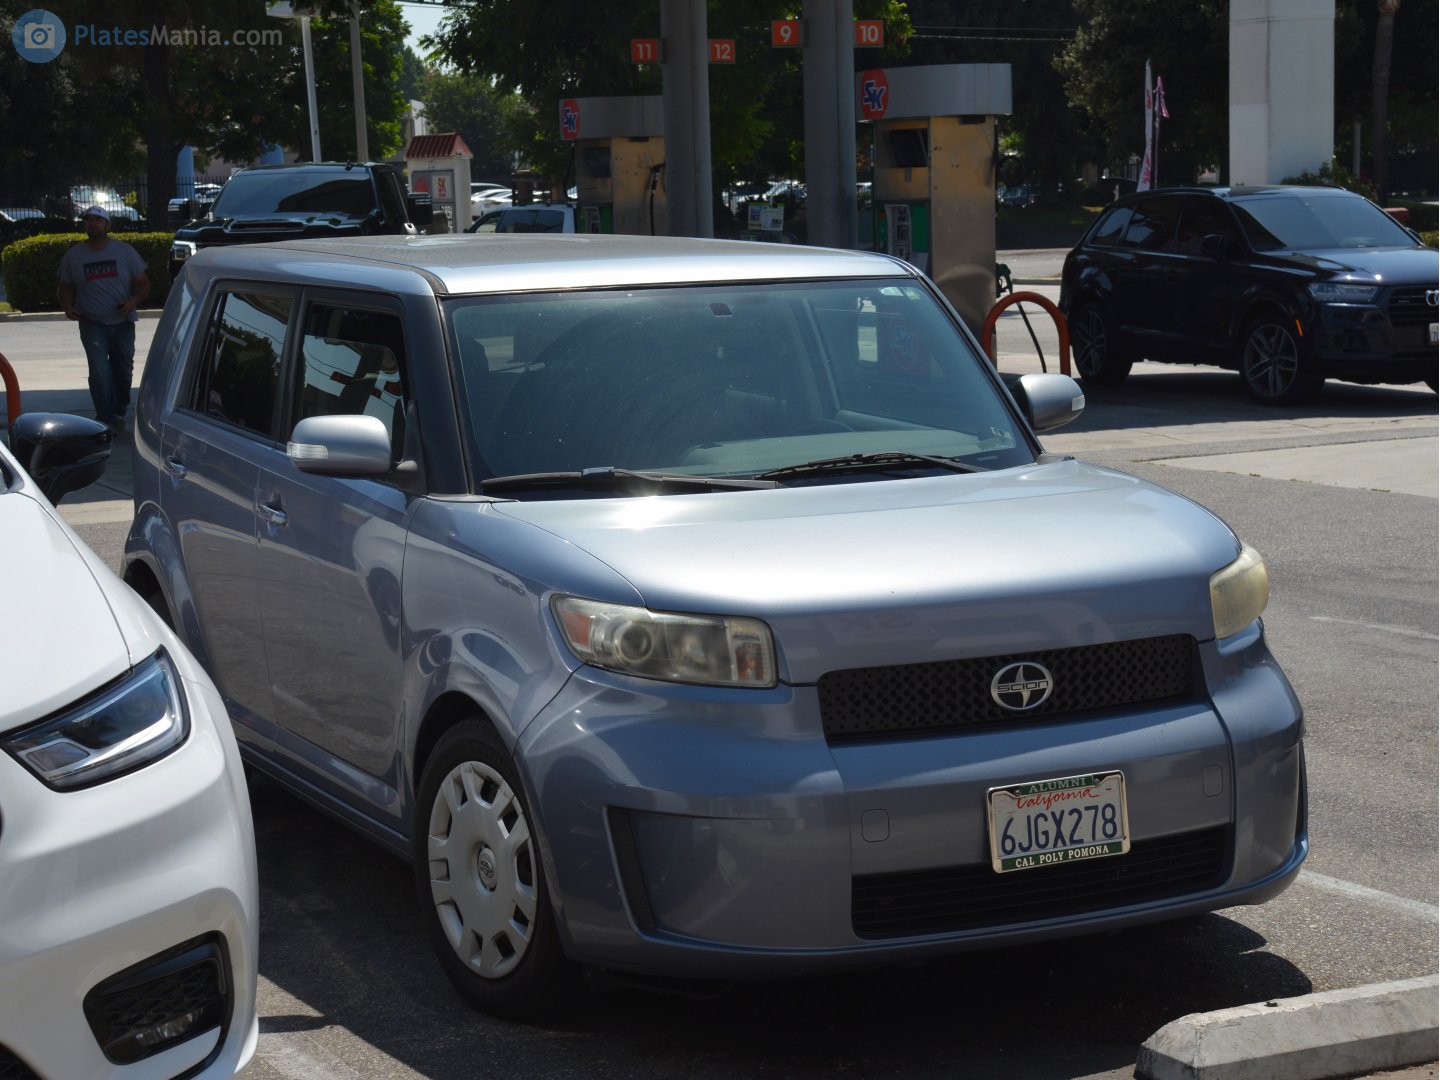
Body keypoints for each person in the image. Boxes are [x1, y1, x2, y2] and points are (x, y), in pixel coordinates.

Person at [57, 205, 149, 434]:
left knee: (123, 370)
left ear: (107, 225)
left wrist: (132, 301)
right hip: (91, 322)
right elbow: (64, 287)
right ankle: (105, 418)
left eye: (98, 220)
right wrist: (67, 306)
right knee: (99, 371)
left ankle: (118, 411)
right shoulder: (74, 256)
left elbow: (143, 283)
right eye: (89, 220)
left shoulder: (125, 251)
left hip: (123, 322)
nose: (93, 224)